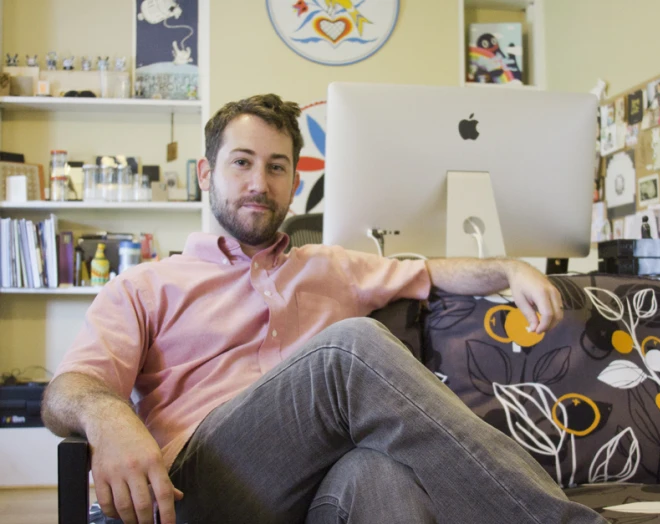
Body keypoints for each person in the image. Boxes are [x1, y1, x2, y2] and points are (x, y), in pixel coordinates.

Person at [42, 94, 605, 524]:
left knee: (380, 475)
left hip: (318, 491)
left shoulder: (331, 265)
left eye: (277, 167)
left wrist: (509, 268)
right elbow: (67, 391)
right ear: (206, 173)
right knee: (348, 347)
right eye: (241, 163)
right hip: (204, 488)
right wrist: (110, 417)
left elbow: (430, 271)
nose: (258, 183)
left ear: (294, 184)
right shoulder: (146, 284)